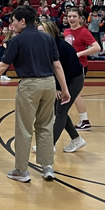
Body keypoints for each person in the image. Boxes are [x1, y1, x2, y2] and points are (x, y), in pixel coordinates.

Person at [0, 6, 70, 182]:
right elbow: (57, 65)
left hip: (29, 85)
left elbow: (3, 66)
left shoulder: (17, 41)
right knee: (46, 125)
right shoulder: (48, 38)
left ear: (23, 21)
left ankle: (21, 170)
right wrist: (64, 88)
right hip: (49, 84)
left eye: (14, 21)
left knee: (24, 128)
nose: (12, 25)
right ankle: (47, 167)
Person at [38, 21, 85, 153]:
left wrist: (60, 88)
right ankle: (76, 139)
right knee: (60, 111)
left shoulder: (62, 47)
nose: (39, 34)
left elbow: (68, 70)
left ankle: (49, 145)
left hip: (74, 80)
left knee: (60, 112)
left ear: (50, 32)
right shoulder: (46, 45)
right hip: (62, 81)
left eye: (42, 31)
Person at [63, 8, 100, 131]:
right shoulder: (66, 31)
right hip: (67, 67)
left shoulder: (84, 32)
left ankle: (84, 120)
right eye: (69, 16)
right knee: (68, 93)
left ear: (80, 18)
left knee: (74, 94)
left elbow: (96, 47)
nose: (72, 19)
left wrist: (79, 54)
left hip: (79, 66)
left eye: (74, 16)